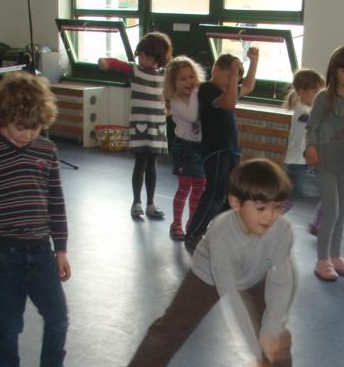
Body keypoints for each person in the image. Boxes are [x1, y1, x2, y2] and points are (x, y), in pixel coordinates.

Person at [90, 158, 307, 367]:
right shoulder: (221, 232)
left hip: (257, 274)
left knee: (278, 334)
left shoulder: (282, 230)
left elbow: (283, 280)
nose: (270, 217)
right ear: (236, 203)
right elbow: (231, 297)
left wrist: (270, 330)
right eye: (261, 208)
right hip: (210, 275)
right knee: (169, 328)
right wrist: (256, 350)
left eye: (277, 207)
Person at [0, 72, 77, 367]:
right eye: (20, 126)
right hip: (4, 255)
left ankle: (53, 364)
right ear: (1, 117)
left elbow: (56, 202)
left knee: (58, 316)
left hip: (41, 251)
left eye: (34, 127)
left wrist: (61, 249)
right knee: (10, 323)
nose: (27, 134)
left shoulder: (46, 149)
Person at [183, 48, 260, 252]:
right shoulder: (207, 89)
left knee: (230, 196)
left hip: (231, 150)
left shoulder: (228, 90)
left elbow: (248, 86)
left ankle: (218, 233)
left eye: (234, 78)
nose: (231, 81)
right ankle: (194, 233)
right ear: (216, 70)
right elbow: (229, 103)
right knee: (215, 193)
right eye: (228, 76)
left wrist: (253, 62)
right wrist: (235, 73)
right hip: (216, 151)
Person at [305, 46, 344, 281]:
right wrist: (311, 148)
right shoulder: (325, 98)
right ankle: (322, 259)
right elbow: (311, 126)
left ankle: (336, 255)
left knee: (342, 210)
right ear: (335, 71)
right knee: (331, 210)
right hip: (326, 161)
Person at [98, 32, 173, 220]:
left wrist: (169, 107)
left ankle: (151, 204)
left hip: (157, 126)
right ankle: (136, 202)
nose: (143, 60)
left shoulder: (165, 75)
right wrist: (105, 62)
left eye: (148, 58)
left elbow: (170, 94)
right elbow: (117, 64)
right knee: (140, 163)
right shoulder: (136, 71)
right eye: (141, 55)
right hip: (140, 125)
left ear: (158, 59)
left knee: (152, 164)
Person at [162, 55, 207, 241]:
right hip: (185, 148)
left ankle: (192, 223)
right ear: (174, 83)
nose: (189, 82)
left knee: (199, 189)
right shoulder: (176, 101)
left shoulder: (198, 98)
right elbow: (192, 115)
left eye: (191, 76)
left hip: (201, 148)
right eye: (183, 79)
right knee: (184, 187)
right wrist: (196, 92)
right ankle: (177, 223)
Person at [282, 69, 325, 212]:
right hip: (297, 162)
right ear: (302, 91)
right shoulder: (302, 110)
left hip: (304, 161)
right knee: (289, 197)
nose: (319, 96)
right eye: (316, 92)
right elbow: (311, 121)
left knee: (292, 197)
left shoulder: (310, 109)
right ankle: (272, 217)